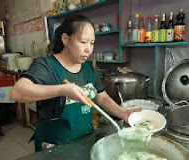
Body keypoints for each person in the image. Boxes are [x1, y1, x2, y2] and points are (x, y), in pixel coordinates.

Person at [10, 14, 141, 152]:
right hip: (53, 148)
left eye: (92, 43)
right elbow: (17, 92)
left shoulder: (89, 70)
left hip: (84, 142)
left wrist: (123, 113)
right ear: (66, 39)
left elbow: (102, 97)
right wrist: (63, 90)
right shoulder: (47, 66)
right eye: (83, 42)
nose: (88, 49)